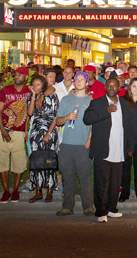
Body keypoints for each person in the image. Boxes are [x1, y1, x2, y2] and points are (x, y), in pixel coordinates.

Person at [84, 77, 134, 223]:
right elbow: (87, 118)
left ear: (119, 88)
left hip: (119, 149)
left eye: (114, 85)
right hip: (103, 149)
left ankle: (112, 209)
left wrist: (129, 146)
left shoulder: (125, 104)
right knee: (102, 182)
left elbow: (129, 127)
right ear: (105, 87)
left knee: (115, 183)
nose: (111, 87)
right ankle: (101, 211)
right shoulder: (97, 102)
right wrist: (106, 111)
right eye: (109, 85)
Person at [55, 72, 94, 216]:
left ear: (86, 83)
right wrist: (66, 117)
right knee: (67, 177)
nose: (79, 82)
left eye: (82, 80)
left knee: (85, 177)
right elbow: (58, 121)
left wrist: (89, 141)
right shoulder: (66, 100)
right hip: (66, 144)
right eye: (77, 79)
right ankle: (67, 206)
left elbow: (93, 125)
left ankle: (88, 206)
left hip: (83, 145)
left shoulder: (91, 101)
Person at [0, 67, 31, 203]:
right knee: (1, 159)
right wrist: (2, 129)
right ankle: (5, 190)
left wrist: (26, 129)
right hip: (3, 130)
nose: (17, 76)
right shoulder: (6, 90)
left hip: (20, 132)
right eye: (16, 74)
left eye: (20, 75)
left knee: (19, 161)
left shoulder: (29, 91)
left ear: (26, 77)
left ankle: (15, 190)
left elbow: (30, 113)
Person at [27, 75, 60, 203]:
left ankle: (50, 191)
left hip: (49, 131)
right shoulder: (31, 97)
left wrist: (48, 133)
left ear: (43, 86)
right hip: (35, 132)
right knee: (36, 161)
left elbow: (56, 116)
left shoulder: (51, 96)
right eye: (33, 85)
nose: (35, 87)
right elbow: (30, 113)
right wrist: (34, 96)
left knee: (49, 160)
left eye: (38, 85)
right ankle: (38, 191)